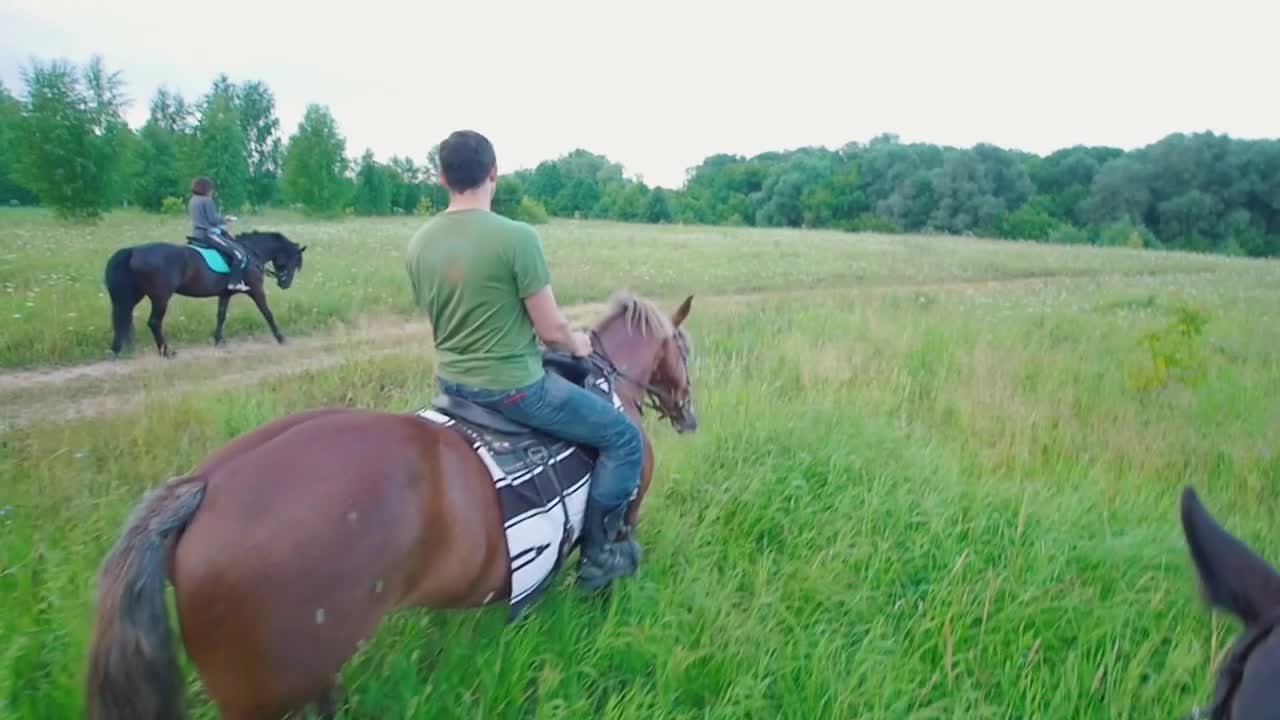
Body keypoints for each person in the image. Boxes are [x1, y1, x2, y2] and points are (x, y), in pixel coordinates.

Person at [406, 130, 644, 591]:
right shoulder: (517, 237)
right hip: (513, 389)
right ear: (493, 172)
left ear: (441, 178)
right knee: (622, 438)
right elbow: (550, 331)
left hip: (452, 387)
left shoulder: (420, 243)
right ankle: (599, 555)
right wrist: (577, 343)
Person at [188, 176, 248, 292]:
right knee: (238, 255)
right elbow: (212, 220)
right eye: (211, 189)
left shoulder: (193, 200)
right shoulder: (207, 200)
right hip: (208, 235)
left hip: (196, 234)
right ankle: (234, 283)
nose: (212, 191)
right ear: (207, 189)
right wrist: (227, 219)